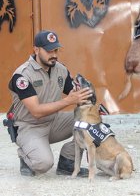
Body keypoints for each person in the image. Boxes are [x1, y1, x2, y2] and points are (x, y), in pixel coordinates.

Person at [8, 30, 93, 176]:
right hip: (30, 126)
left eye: (56, 50)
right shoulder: (22, 75)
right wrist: (68, 101)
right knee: (43, 164)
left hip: (54, 122)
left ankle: (67, 161)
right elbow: (36, 111)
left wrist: (87, 97)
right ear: (36, 49)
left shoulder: (60, 69)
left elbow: (73, 92)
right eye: (49, 51)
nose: (54, 54)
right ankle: (25, 155)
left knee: (90, 123)